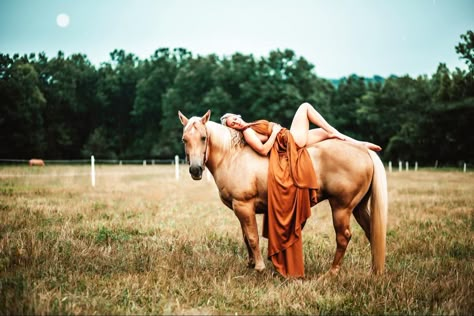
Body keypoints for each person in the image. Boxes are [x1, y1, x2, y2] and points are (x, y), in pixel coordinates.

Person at [220, 102, 381, 278]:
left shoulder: (249, 126)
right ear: (233, 130)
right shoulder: (247, 132)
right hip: (288, 140)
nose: (236, 122)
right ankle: (352, 139)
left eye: (235, 118)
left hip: (285, 138)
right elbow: (263, 148)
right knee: (304, 107)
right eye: (232, 124)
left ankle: (360, 145)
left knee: (327, 133)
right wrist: (274, 132)